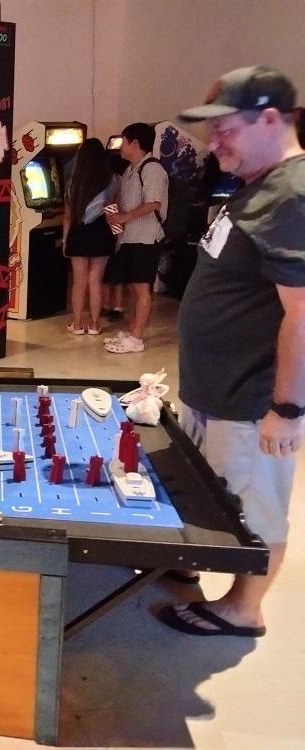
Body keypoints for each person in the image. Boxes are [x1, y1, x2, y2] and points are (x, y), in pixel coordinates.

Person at [159, 66, 305, 638]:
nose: (213, 141)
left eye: (225, 128)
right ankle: (189, 561)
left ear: (270, 120)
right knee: (211, 489)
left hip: (250, 399)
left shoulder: (291, 195)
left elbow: (302, 313)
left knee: (256, 508)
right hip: (215, 390)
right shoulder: (258, 186)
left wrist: (286, 410)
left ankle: (244, 609)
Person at [103, 122, 169, 354]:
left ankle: (136, 338)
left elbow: (153, 203)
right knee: (133, 287)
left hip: (146, 238)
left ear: (136, 143)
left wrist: (125, 216)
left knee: (142, 289)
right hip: (130, 238)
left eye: (124, 141)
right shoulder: (130, 170)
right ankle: (132, 331)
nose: (120, 146)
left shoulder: (152, 169)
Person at [62, 138, 118, 335]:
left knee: (79, 282)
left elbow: (68, 215)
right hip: (101, 232)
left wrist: (65, 240)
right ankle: (94, 324)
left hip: (78, 232)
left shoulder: (73, 181)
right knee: (96, 280)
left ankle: (77, 324)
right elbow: (112, 209)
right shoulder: (111, 180)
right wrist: (117, 236)